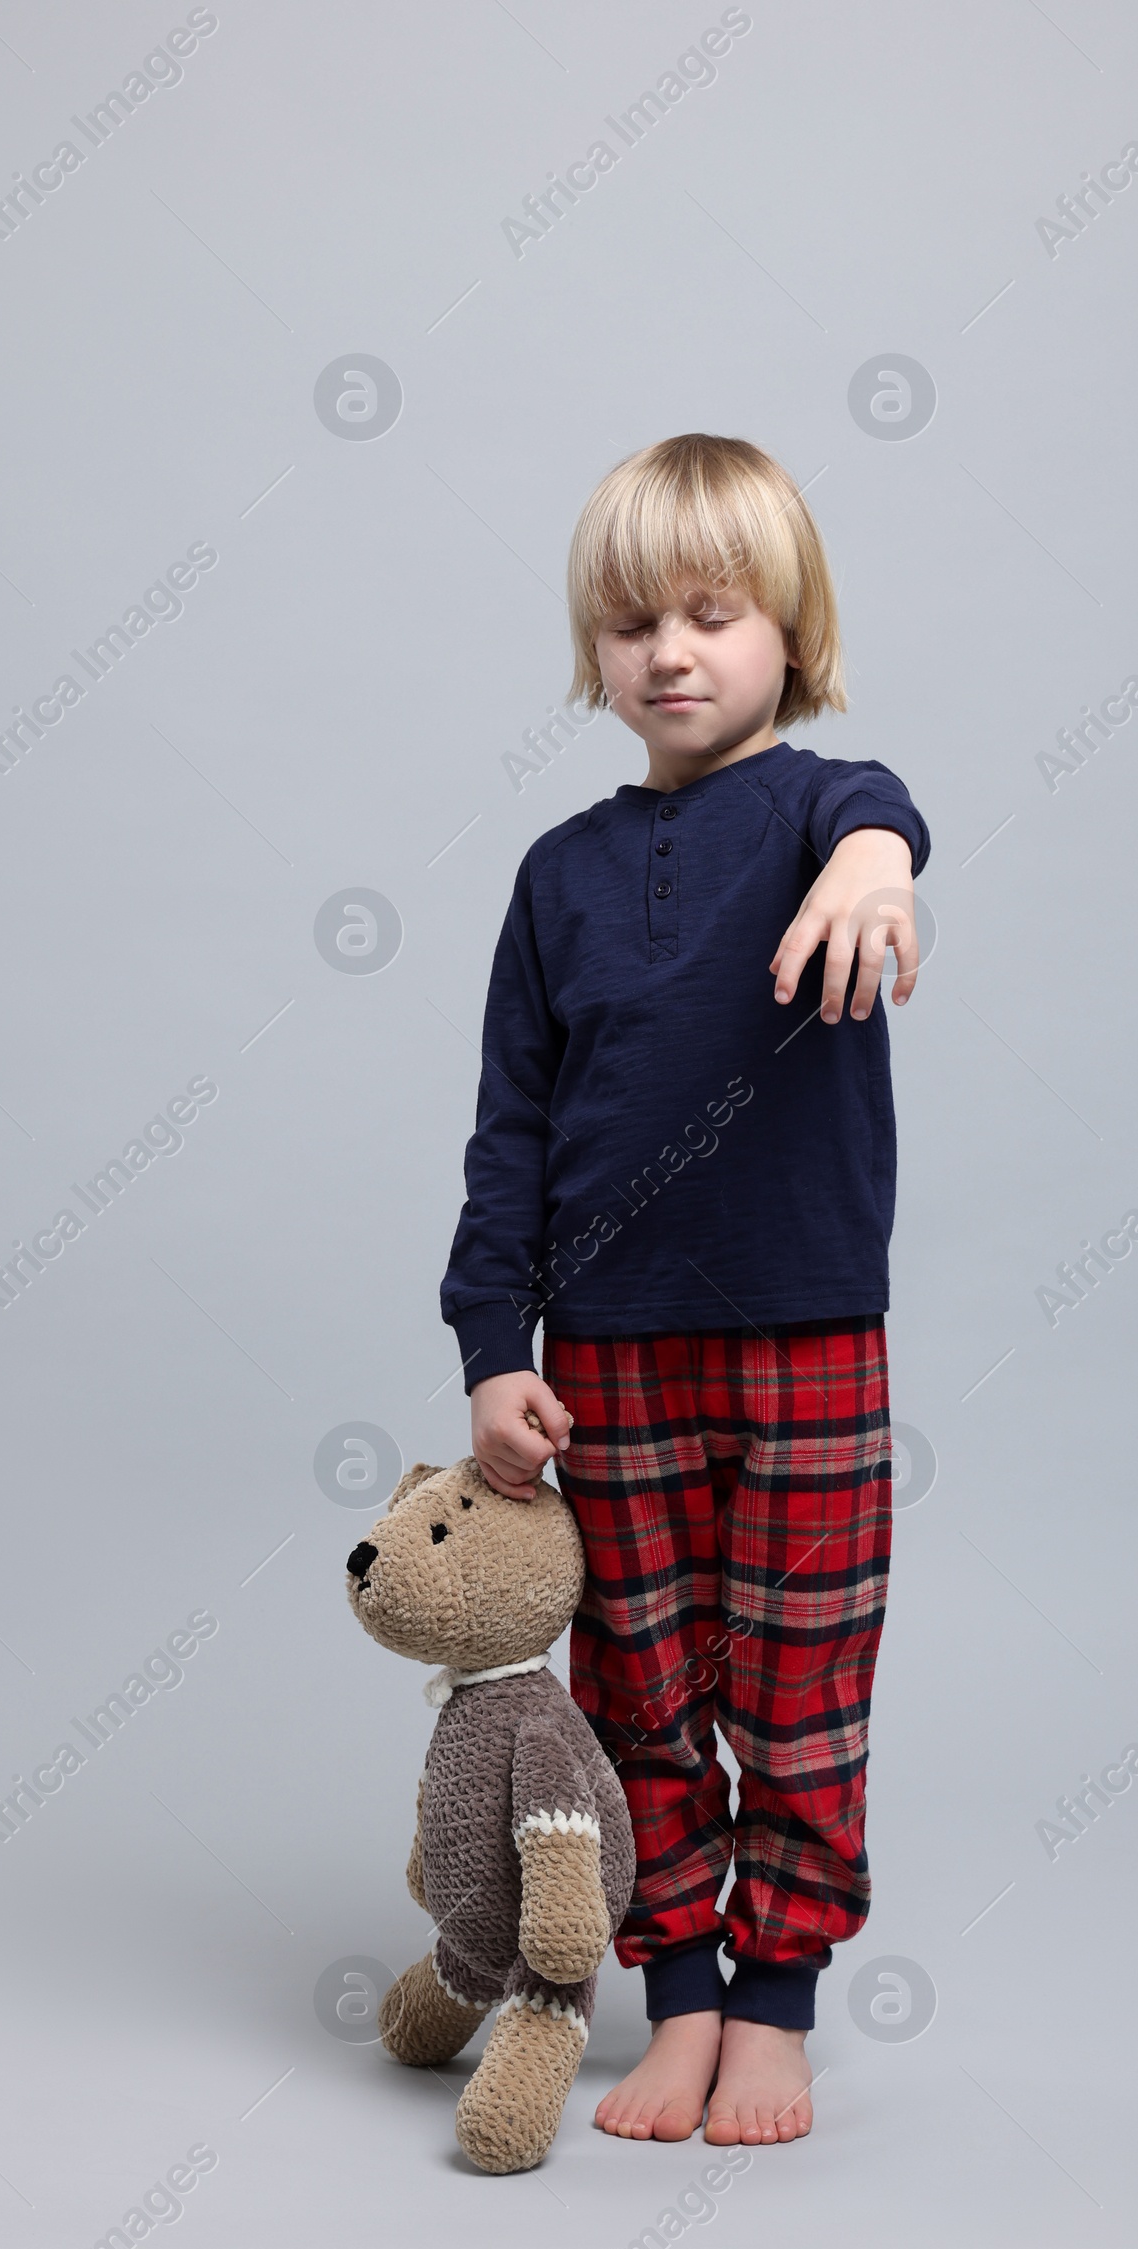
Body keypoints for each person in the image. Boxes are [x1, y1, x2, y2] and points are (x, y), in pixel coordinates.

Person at [440, 432, 930, 2145]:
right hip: (613, 1354)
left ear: (788, 631)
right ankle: (685, 1996)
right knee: (639, 1682)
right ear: (595, 649)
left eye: (712, 612)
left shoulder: (821, 811)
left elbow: (884, 813)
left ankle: (779, 1998)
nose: (670, 651)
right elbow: (509, 1128)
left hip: (806, 1332)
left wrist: (878, 871)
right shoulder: (557, 875)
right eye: (634, 620)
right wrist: (496, 1346)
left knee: (803, 1675)